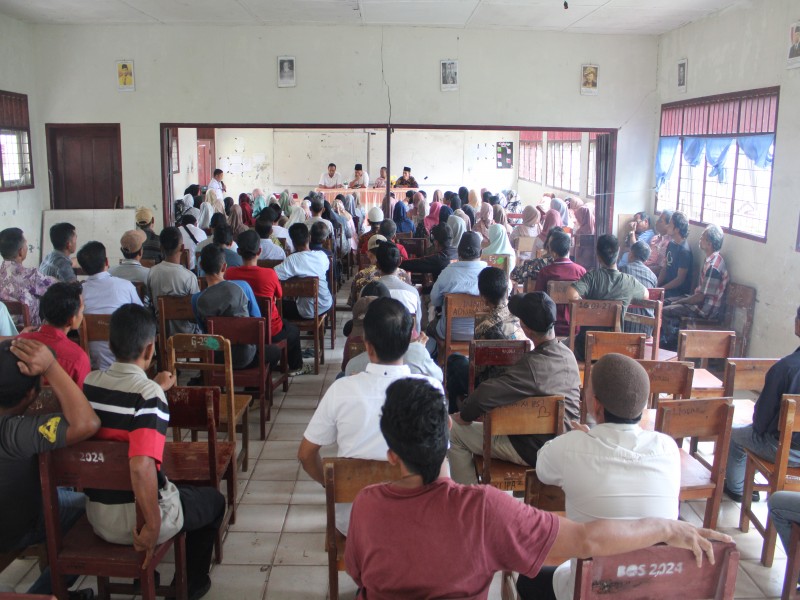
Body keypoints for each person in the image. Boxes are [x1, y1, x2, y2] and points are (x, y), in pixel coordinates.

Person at [345, 377, 726, 598]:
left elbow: (359, 576)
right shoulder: (484, 509)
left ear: (391, 454)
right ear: (447, 430)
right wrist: (665, 527)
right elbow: (588, 540)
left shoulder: (366, 505)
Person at [83, 304, 224, 600]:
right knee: (213, 501)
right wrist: (152, 524)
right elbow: (140, 466)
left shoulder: (89, 383)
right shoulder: (149, 395)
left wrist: (153, 385)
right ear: (150, 349)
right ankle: (189, 586)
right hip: (136, 523)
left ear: (110, 344)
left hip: (97, 517)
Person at [516, 353, 681, 600]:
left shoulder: (572, 447)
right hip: (649, 589)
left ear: (596, 406)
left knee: (527, 580)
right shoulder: (668, 448)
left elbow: (542, 467)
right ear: (643, 405)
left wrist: (582, 438)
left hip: (588, 590)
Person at [297, 298, 442, 534]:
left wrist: (331, 484)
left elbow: (305, 454)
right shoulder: (432, 390)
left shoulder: (341, 389)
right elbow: (440, 457)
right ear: (409, 342)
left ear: (368, 346)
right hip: (414, 522)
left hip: (354, 524)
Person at [0, 337, 100, 599]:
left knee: (62, 495)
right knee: (91, 512)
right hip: (15, 528)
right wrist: (51, 367)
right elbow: (87, 423)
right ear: (31, 394)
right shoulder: (14, 432)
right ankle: (49, 591)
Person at [448, 291, 580, 482]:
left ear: (526, 328)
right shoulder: (568, 354)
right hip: (565, 444)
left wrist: (464, 415)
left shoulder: (532, 365)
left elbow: (485, 395)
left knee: (453, 431)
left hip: (535, 450)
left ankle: (469, 495)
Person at [723, 305, 800, 503]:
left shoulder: (785, 368)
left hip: (785, 449)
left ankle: (737, 488)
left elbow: (761, 421)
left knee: (734, 433)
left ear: (797, 325)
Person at [445, 267, 527, 411]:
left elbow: (476, 370)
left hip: (491, 386)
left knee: (454, 360)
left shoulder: (485, 326)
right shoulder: (521, 316)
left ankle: (455, 411)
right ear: (507, 289)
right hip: (519, 382)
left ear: (483, 297)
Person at [225, 230, 304, 373]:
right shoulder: (269, 274)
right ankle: (295, 367)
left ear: (238, 251)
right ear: (259, 251)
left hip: (239, 329)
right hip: (270, 329)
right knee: (293, 331)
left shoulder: (229, 273)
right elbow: (279, 296)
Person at [192, 244, 277, 369]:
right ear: (224, 267)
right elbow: (257, 320)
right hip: (245, 355)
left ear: (200, 266)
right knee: (275, 351)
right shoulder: (242, 287)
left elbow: (205, 332)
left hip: (216, 357)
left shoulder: (196, 299)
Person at [566, 234, 647, 361]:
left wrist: (587, 307)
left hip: (585, 347)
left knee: (562, 345)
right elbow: (646, 295)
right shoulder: (629, 282)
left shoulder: (592, 277)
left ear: (597, 255)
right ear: (618, 252)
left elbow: (571, 294)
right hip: (615, 348)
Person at [77, 241, 143, 370]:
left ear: (83, 269)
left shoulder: (80, 292)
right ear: (107, 262)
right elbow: (141, 317)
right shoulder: (125, 286)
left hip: (92, 363)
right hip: (126, 361)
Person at [20, 282, 91, 387]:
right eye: (81, 311)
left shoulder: (19, 343)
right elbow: (82, 395)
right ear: (71, 320)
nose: (82, 315)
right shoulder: (78, 358)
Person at [428, 232, 488, 350]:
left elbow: (435, 300)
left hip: (449, 333)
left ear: (458, 253)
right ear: (481, 253)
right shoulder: (490, 274)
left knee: (430, 327)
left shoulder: (448, 272)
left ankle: (436, 357)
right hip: (482, 333)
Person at [663, 224, 729, 320]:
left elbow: (700, 298)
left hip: (704, 311)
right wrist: (682, 300)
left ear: (709, 244)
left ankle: (672, 330)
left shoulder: (713, 268)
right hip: (698, 303)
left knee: (664, 311)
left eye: (703, 237)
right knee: (665, 302)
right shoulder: (711, 259)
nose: (700, 239)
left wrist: (681, 301)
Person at [146, 226, 201, 337]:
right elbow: (196, 311)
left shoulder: (152, 273)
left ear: (161, 247)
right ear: (182, 248)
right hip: (187, 336)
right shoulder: (190, 277)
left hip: (162, 334)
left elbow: (150, 302)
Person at [274, 223, 333, 319]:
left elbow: (273, 275)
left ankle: (285, 327)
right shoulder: (322, 255)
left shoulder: (292, 260)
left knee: (276, 305)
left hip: (307, 311)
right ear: (309, 238)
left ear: (293, 242)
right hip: (326, 304)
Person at [0, 227, 56, 326]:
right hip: (29, 333)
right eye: (25, 244)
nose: (27, 247)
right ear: (20, 251)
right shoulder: (30, 276)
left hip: (3, 332)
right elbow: (57, 287)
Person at [534, 230, 586, 337]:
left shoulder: (545, 272)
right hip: (576, 327)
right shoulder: (581, 271)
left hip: (551, 327)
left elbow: (538, 300)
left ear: (553, 252)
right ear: (569, 248)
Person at [375, 243, 422, 337]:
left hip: (377, 343)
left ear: (377, 264)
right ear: (400, 261)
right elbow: (417, 328)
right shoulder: (412, 292)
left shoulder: (367, 290)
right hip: (406, 343)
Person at [400, 223, 457, 288]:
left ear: (436, 242)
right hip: (455, 291)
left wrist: (398, 262)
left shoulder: (439, 259)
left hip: (441, 292)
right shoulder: (457, 252)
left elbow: (416, 264)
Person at [619, 241, 658, 336]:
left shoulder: (623, 270)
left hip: (625, 328)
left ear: (631, 254)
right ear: (646, 259)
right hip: (646, 330)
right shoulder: (653, 276)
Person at [658, 210, 693, 299]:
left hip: (677, 292)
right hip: (666, 287)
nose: (667, 226)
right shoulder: (671, 244)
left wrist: (662, 289)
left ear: (677, 229)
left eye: (670, 224)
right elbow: (665, 268)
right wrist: (656, 285)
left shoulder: (684, 251)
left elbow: (679, 280)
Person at [644, 209, 673, 276]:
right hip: (645, 267)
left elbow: (660, 268)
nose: (656, 222)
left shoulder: (669, 243)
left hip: (652, 274)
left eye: (660, 221)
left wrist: (644, 270)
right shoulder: (655, 238)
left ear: (668, 225)